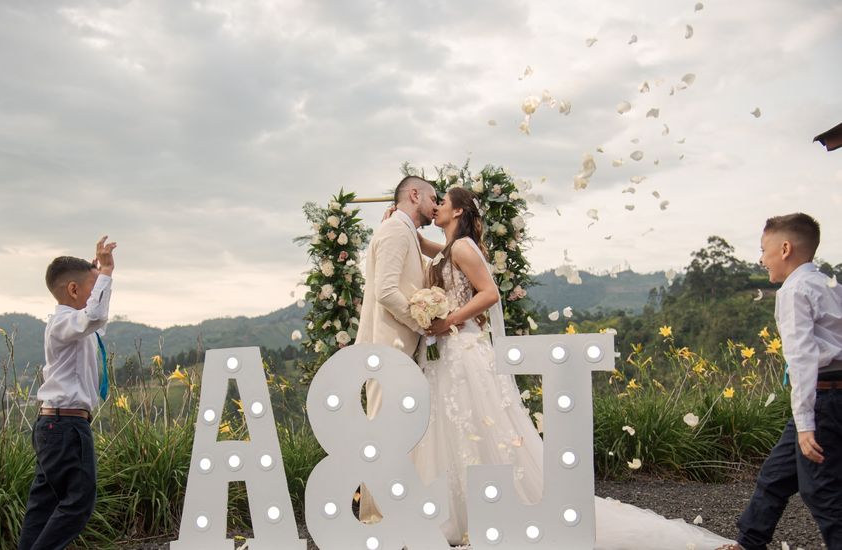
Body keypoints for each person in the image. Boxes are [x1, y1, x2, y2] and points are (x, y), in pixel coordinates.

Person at [408, 187, 733, 548]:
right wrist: (408, 228)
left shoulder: (464, 247)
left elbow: (490, 294)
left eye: (443, 203)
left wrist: (447, 319)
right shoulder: (454, 249)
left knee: (479, 426)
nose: (436, 207)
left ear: (457, 212)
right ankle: (465, 512)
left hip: (464, 348)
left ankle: (491, 509)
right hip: (451, 351)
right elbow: (438, 254)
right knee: (457, 427)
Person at [720, 213, 842, 550]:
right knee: (776, 475)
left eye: (764, 250)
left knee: (822, 492)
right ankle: (749, 542)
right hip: (831, 396)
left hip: (822, 399)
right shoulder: (830, 285)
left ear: (785, 248)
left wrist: (805, 423)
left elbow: (802, 359)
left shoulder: (794, 291)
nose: (761, 259)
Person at [19, 236, 117, 550]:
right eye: (91, 289)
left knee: (44, 504)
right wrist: (107, 274)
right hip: (66, 427)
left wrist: (98, 275)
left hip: (55, 427)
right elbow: (95, 316)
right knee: (78, 504)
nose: (95, 296)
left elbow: (98, 324)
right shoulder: (63, 324)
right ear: (73, 291)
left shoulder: (76, 327)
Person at [354, 175, 441, 522]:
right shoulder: (393, 231)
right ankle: (376, 519)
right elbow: (387, 291)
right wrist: (422, 322)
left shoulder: (403, 231)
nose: (436, 205)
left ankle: (395, 512)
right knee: (383, 433)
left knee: (398, 434)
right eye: (433, 198)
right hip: (387, 348)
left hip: (400, 350)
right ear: (414, 194)